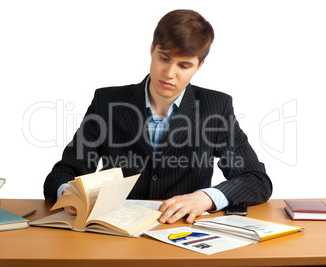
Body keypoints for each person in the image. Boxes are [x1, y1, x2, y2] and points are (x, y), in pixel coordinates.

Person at [43, 9, 272, 224]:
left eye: (184, 65)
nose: (170, 74)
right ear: (152, 49)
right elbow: (63, 172)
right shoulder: (107, 101)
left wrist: (206, 198)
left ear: (199, 66)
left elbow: (256, 179)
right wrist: (68, 193)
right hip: (114, 233)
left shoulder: (216, 107)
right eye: (164, 58)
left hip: (182, 232)